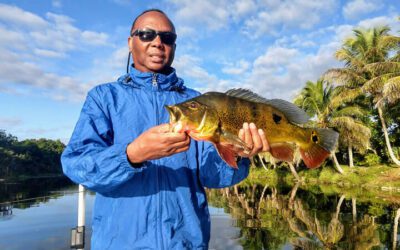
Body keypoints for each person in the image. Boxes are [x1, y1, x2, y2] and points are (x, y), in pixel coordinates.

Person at [61, 9, 269, 249]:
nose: (158, 42)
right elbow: (77, 165)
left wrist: (240, 153)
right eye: (147, 34)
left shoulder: (197, 103)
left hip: (187, 244)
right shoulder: (103, 98)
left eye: (167, 38)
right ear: (131, 42)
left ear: (174, 47)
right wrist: (132, 154)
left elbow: (215, 176)